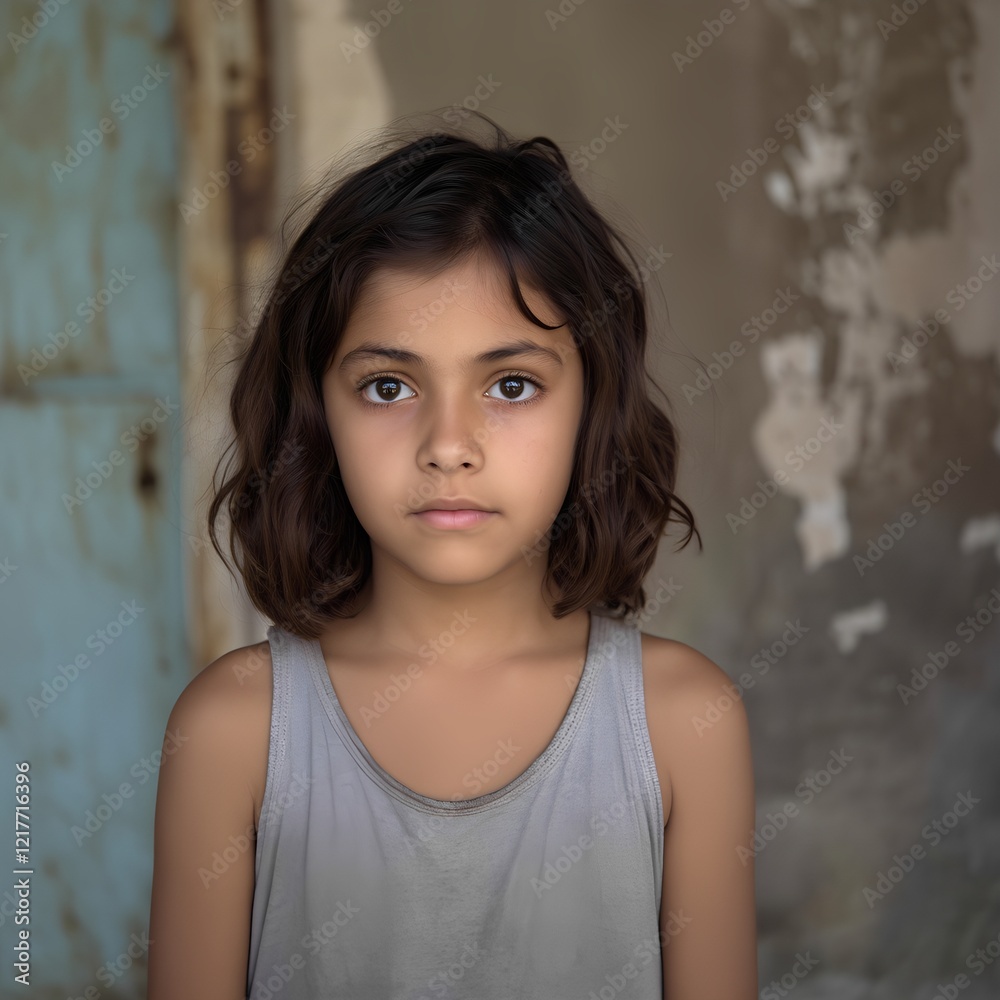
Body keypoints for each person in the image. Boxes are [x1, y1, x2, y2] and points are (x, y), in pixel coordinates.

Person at [147, 109, 758, 1000]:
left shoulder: (684, 723)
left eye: (511, 385)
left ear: (593, 407)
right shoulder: (232, 730)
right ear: (315, 418)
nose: (448, 444)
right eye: (388, 386)